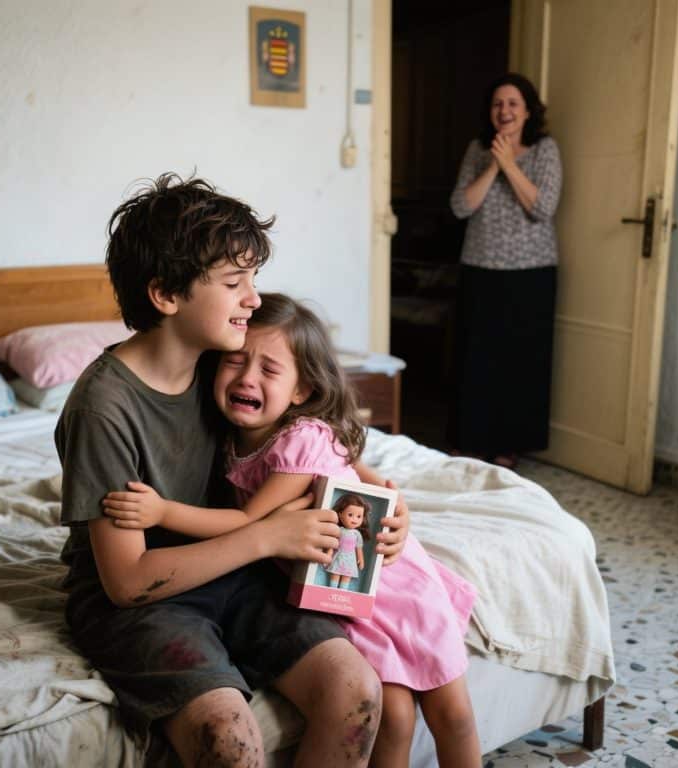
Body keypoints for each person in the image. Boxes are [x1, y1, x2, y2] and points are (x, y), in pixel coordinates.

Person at [55, 175, 404, 767]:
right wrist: (265, 535)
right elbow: (128, 581)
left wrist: (381, 499)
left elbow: (315, 439)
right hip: (144, 601)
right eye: (234, 282)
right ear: (167, 295)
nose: (252, 299)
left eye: (253, 281)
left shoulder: (225, 362)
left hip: (242, 575)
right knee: (230, 737)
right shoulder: (103, 408)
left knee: (358, 693)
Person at [103, 292, 481, 768]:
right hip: (343, 598)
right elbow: (345, 463)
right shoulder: (229, 436)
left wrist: (162, 512)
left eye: (269, 370)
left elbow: (247, 523)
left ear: (301, 391)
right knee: (396, 717)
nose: (246, 378)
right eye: (235, 362)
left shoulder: (297, 440)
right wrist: (379, 485)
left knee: (454, 714)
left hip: (393, 585)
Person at [447, 72, 563, 469]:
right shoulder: (477, 149)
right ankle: (470, 441)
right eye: (498, 104)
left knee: (518, 362)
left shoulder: (545, 149)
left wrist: (510, 164)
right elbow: (461, 206)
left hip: (530, 272)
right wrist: (494, 165)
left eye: (513, 103)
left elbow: (542, 207)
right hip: (480, 267)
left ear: (528, 111)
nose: (505, 111)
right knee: (476, 359)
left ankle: (507, 446)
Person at [324, 493, 370, 590]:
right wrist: (329, 554)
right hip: (338, 557)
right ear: (340, 514)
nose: (354, 519)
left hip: (350, 561)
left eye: (359, 516)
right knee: (335, 575)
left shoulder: (357, 534)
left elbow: (359, 548)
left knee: (346, 578)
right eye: (350, 515)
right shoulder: (338, 530)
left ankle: (342, 592)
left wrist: (361, 560)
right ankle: (331, 591)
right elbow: (333, 544)